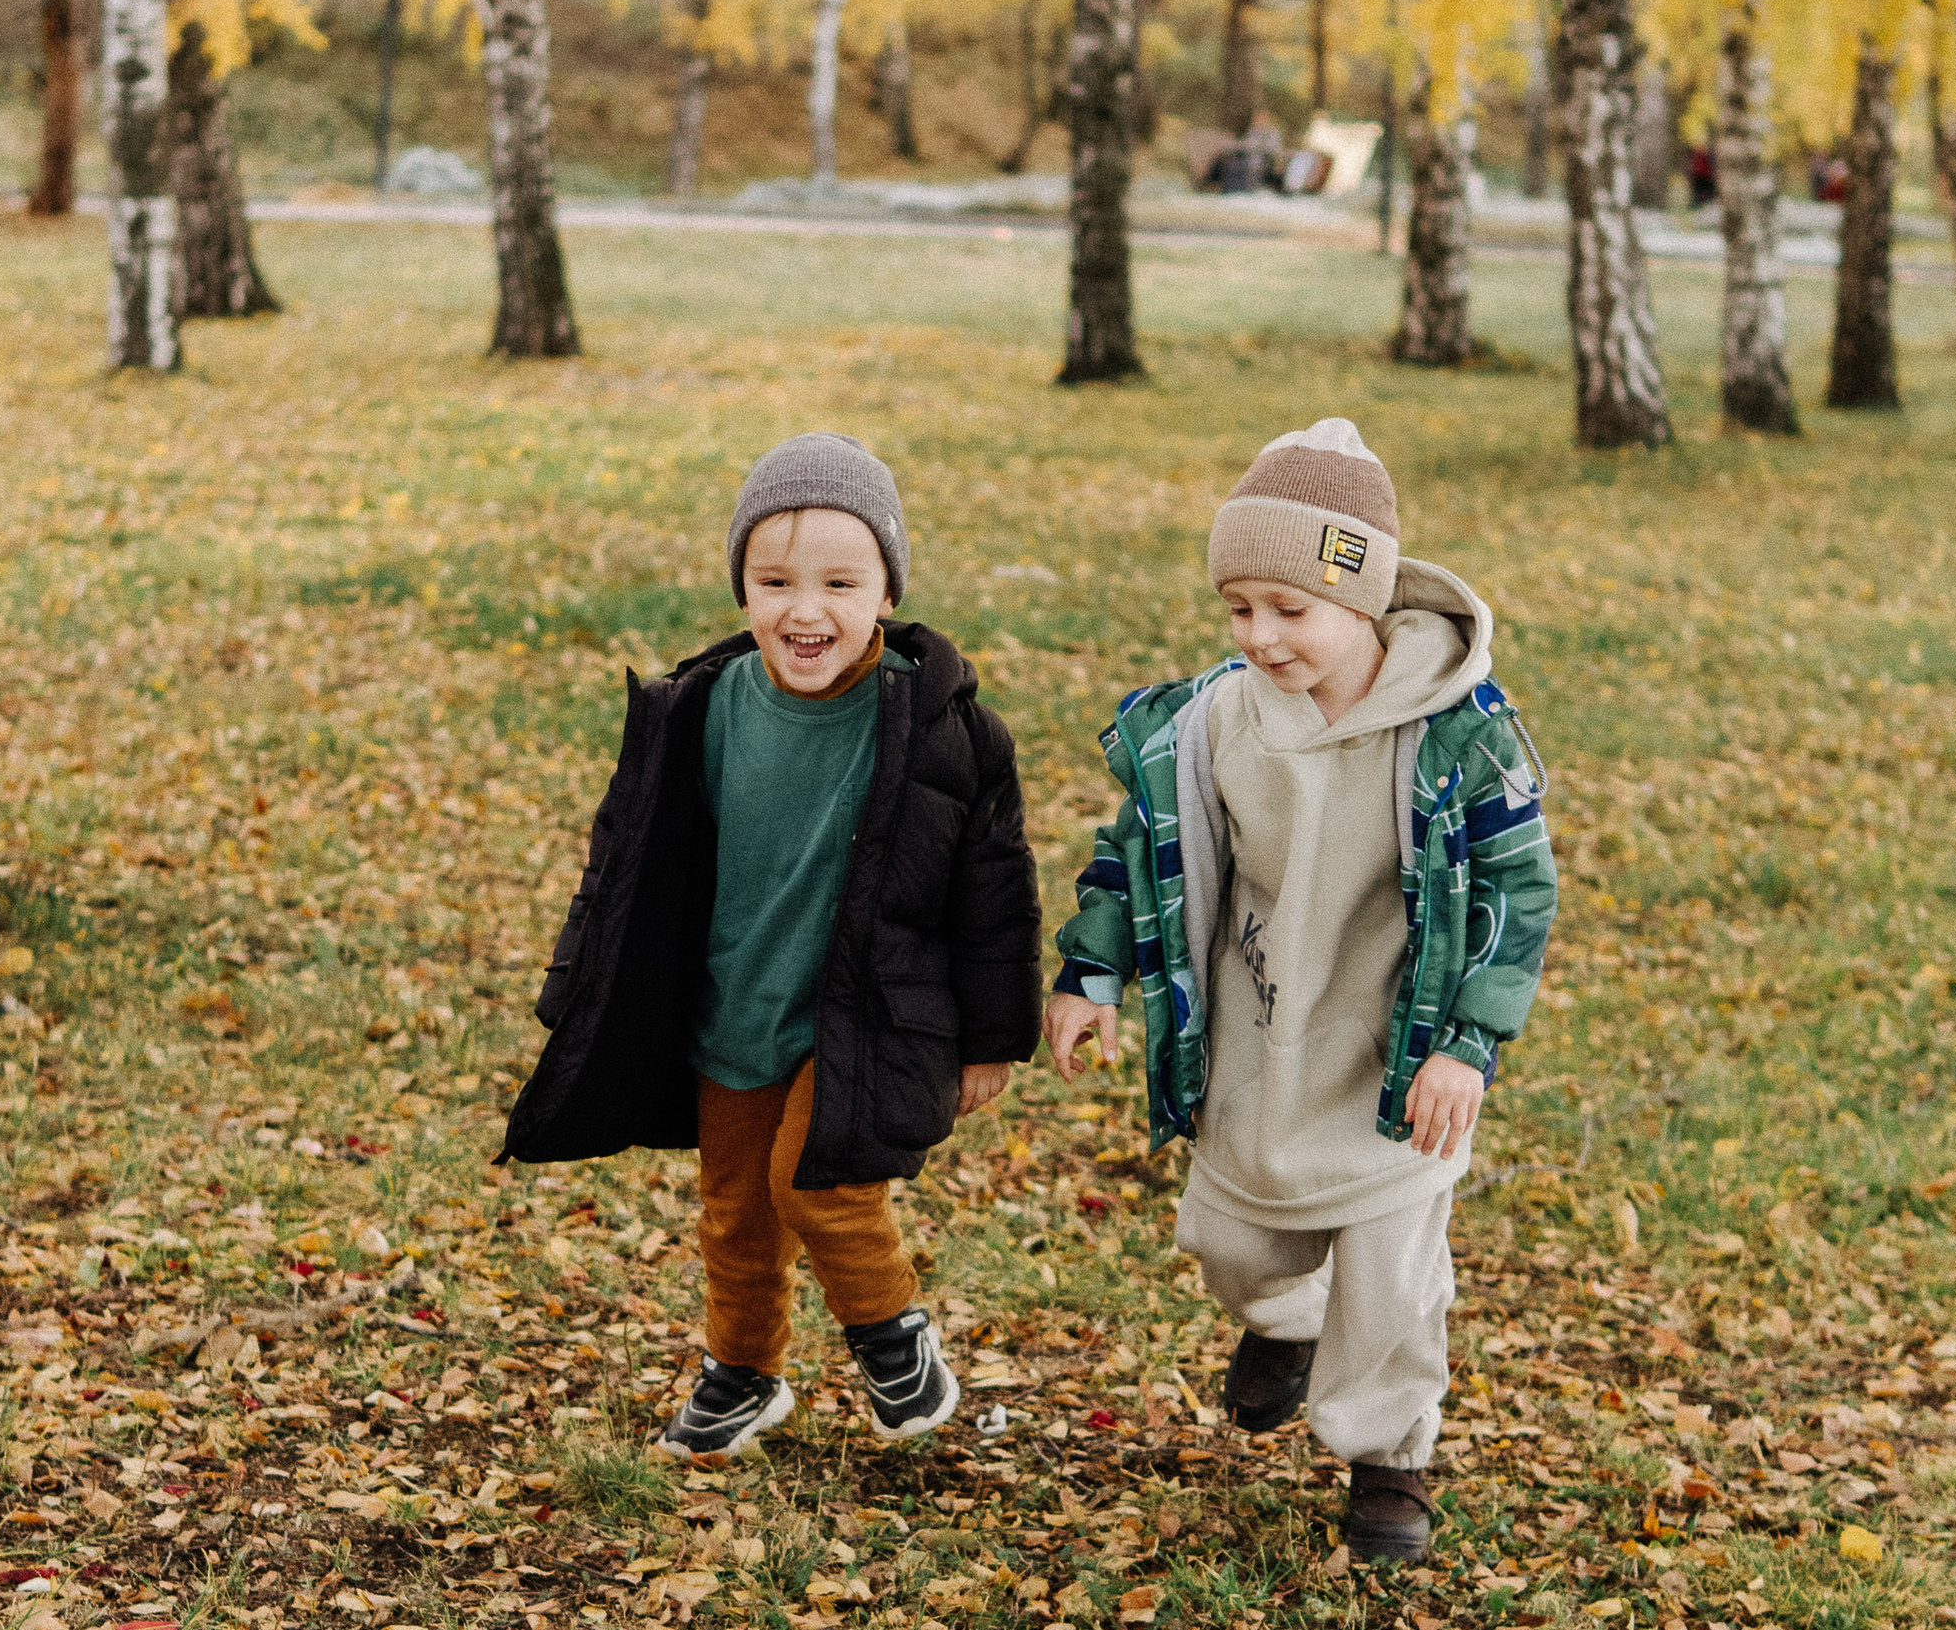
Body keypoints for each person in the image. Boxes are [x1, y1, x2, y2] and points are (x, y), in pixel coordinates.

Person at [1043, 418, 1554, 1565]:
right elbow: (1140, 846)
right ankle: (1281, 1325)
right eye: (1238, 608)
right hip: (1260, 1036)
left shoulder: (1455, 734)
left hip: (1393, 1057)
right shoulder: (1216, 723)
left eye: (1291, 609)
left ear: (1362, 600)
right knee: (1234, 1241)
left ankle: (1389, 1458)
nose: (1260, 637)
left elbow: (1516, 895)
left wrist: (1466, 1046)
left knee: (1389, 1279)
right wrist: (1092, 971)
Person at [502, 433, 1042, 1459]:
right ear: (742, 588)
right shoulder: (696, 711)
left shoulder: (939, 728)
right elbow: (623, 859)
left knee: (821, 1182)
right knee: (735, 1211)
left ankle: (892, 1336)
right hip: (732, 1001)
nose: (806, 610)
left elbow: (994, 896)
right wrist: (581, 983)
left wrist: (991, 1039)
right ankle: (742, 1373)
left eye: (840, 580)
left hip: (867, 1010)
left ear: (886, 588)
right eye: (774, 580)